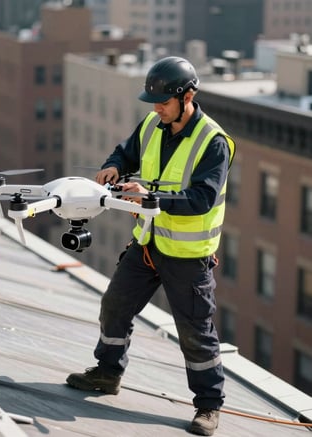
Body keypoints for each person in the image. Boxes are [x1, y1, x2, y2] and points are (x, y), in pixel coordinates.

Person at [66, 56, 236, 436]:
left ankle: (209, 407)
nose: (157, 109)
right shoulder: (153, 124)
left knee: (195, 332)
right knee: (115, 304)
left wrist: (148, 196)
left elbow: (201, 199)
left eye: (163, 103)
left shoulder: (213, 142)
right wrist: (113, 165)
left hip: (189, 258)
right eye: (154, 103)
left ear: (187, 96)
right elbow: (125, 151)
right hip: (148, 244)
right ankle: (107, 373)